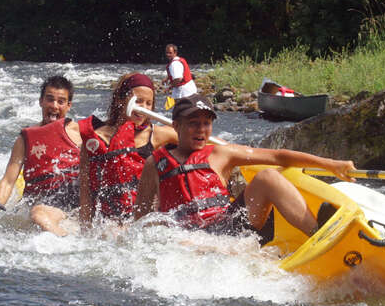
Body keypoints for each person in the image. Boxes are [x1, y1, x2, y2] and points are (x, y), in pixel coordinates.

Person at [134, 94, 357, 240]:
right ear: (176, 126)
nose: (201, 130)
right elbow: (141, 216)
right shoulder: (155, 163)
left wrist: (331, 165)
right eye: (193, 124)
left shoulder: (222, 153)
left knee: (268, 176)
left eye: (206, 123)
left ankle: (319, 235)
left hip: (227, 226)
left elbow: (279, 157)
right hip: (185, 236)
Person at [0, 76, 82, 236]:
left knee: (38, 214)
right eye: (49, 99)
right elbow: (8, 181)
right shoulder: (25, 139)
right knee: (37, 213)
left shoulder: (80, 132)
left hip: (72, 199)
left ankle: (73, 246)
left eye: (61, 101)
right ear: (41, 101)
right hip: (39, 200)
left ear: (68, 106)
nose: (54, 106)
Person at [78, 73, 177, 229]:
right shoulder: (94, 139)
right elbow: (85, 190)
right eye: (138, 101)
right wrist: (85, 230)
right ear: (120, 100)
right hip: (106, 221)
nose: (143, 108)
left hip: (143, 220)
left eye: (148, 103)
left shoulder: (159, 134)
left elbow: (197, 141)